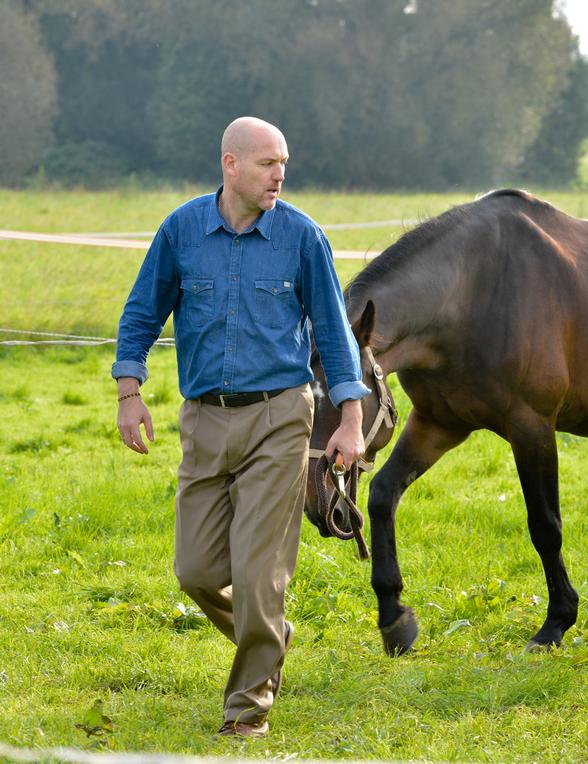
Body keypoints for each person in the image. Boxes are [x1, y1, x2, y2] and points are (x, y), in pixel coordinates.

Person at [112, 116, 370, 739]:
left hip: (280, 418)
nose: (280, 173)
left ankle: (247, 707)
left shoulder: (303, 238)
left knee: (260, 573)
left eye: (284, 162)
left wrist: (352, 419)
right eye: (266, 163)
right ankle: (268, 636)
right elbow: (142, 311)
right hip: (203, 420)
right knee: (196, 571)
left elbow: (335, 335)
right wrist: (129, 390)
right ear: (229, 165)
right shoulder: (180, 231)